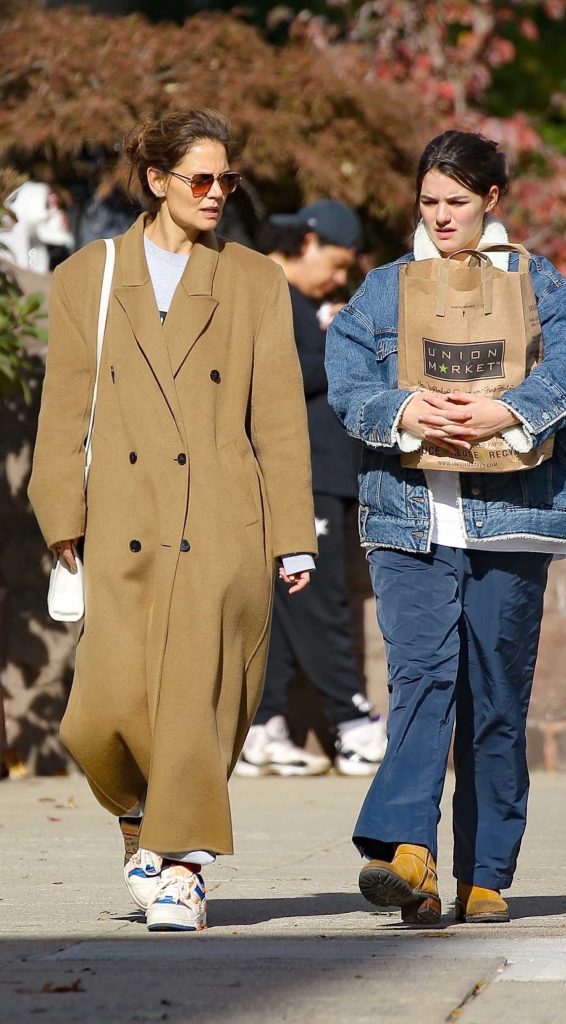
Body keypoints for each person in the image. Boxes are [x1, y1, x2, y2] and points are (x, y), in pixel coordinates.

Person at [28, 108, 317, 932]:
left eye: (228, 179)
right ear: (156, 182)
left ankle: (186, 866)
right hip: (118, 516)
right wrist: (61, 513)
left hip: (224, 517)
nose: (218, 192)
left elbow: (280, 420)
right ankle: (139, 828)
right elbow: (63, 411)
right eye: (202, 178)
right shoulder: (89, 274)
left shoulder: (255, 279)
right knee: (97, 716)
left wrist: (293, 531)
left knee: (198, 702)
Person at [325, 130, 566, 925]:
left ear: (492, 199)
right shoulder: (385, 290)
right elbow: (347, 379)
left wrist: (505, 411)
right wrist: (404, 410)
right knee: (420, 681)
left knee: (495, 697)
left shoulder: (540, 284)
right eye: (429, 202)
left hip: (513, 521)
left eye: (457, 201)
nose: (441, 215)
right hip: (409, 519)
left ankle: (485, 873)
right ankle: (407, 854)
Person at [235, 201, 387, 779]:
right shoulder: (262, 289)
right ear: (309, 240)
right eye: (339, 263)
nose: (340, 278)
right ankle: (352, 727)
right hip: (301, 475)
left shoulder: (296, 301)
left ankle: (261, 726)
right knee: (319, 602)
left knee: (287, 602)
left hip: (319, 474)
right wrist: (340, 349)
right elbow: (267, 377)